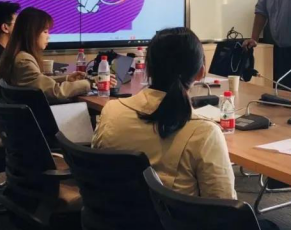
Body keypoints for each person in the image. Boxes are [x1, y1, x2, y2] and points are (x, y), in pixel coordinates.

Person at [93, 27, 236, 199]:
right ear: (201, 72)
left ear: (147, 69)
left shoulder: (111, 111)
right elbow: (224, 207)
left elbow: (97, 169)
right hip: (173, 217)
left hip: (109, 212)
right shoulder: (204, 133)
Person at [0, 7, 92, 101]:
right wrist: (88, 83)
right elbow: (56, 92)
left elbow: (38, 81)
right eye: (45, 32)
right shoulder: (23, 61)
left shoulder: (17, 54)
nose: (48, 36)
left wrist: (67, 78)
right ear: (32, 33)